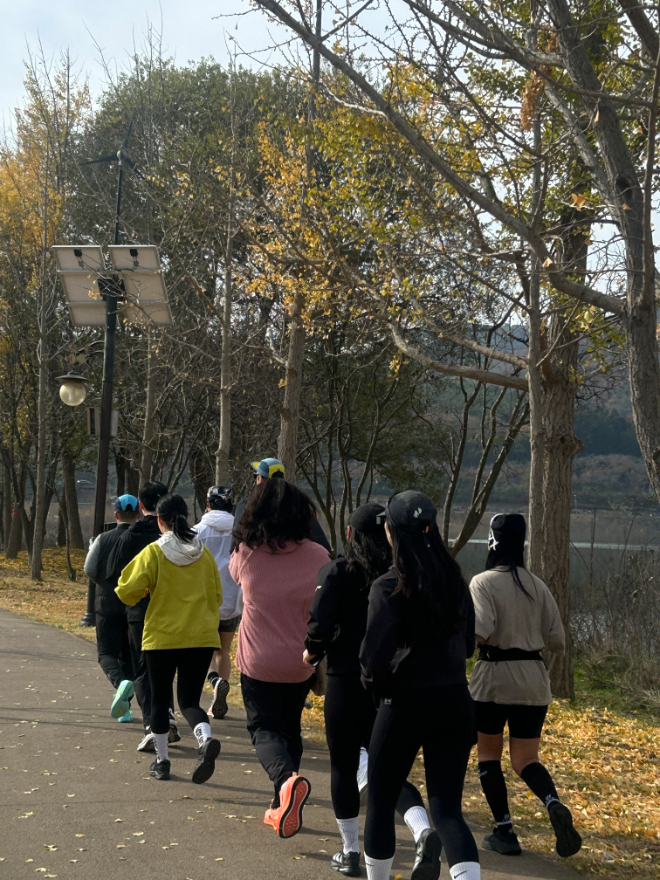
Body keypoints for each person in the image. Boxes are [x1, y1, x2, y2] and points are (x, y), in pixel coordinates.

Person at [304, 503, 440, 880]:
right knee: (387, 770)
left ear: (350, 535)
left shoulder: (337, 572)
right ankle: (421, 829)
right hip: (391, 687)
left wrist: (312, 651)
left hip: (347, 682)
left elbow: (319, 624)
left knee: (343, 767)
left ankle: (349, 851)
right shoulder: (405, 575)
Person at [360, 491, 480, 880]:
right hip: (454, 700)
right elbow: (469, 645)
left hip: (404, 704)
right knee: (448, 810)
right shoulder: (456, 580)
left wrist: (372, 684)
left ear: (391, 533)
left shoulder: (388, 586)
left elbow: (373, 657)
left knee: (380, 800)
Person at [469, 513, 581, 859]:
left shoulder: (483, 582)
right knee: (525, 759)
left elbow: (480, 631)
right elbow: (557, 640)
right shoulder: (538, 585)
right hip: (534, 680)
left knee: (489, 755)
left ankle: (505, 830)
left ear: (492, 540)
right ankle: (552, 802)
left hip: (494, 680)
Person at [229, 478, 330, 838]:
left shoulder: (246, 553)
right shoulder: (319, 556)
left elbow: (235, 576)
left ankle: (286, 782)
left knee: (263, 729)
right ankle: (281, 803)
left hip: (258, 661)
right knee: (290, 730)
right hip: (301, 661)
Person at [116, 494, 223, 783]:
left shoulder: (154, 552)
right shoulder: (204, 554)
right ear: (187, 517)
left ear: (159, 520)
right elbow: (218, 596)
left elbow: (126, 589)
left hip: (162, 638)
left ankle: (163, 762)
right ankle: (205, 740)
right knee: (189, 700)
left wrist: (144, 592)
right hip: (201, 637)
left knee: (161, 700)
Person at [106, 481, 180, 751]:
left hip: (140, 609)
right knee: (165, 668)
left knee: (142, 668)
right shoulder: (183, 535)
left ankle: (152, 724)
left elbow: (115, 572)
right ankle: (168, 715)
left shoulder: (133, 534)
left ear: (141, 505)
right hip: (172, 607)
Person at [84, 494, 140, 722]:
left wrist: (105, 585)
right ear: (138, 514)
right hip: (134, 606)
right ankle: (125, 708)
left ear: (115, 515)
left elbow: (89, 568)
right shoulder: (142, 540)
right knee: (129, 656)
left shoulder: (102, 539)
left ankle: (120, 685)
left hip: (106, 604)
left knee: (106, 653)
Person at [193, 485, 242, 718]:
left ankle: (214, 684)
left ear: (208, 504)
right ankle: (217, 698)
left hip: (205, 600)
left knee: (205, 649)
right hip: (233, 600)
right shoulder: (241, 532)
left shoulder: (197, 531)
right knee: (224, 649)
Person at [234, 458, 332, 553]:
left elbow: (234, 548)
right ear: (283, 479)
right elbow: (324, 546)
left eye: (256, 476)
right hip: (297, 565)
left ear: (260, 479)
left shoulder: (246, 506)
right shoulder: (300, 506)